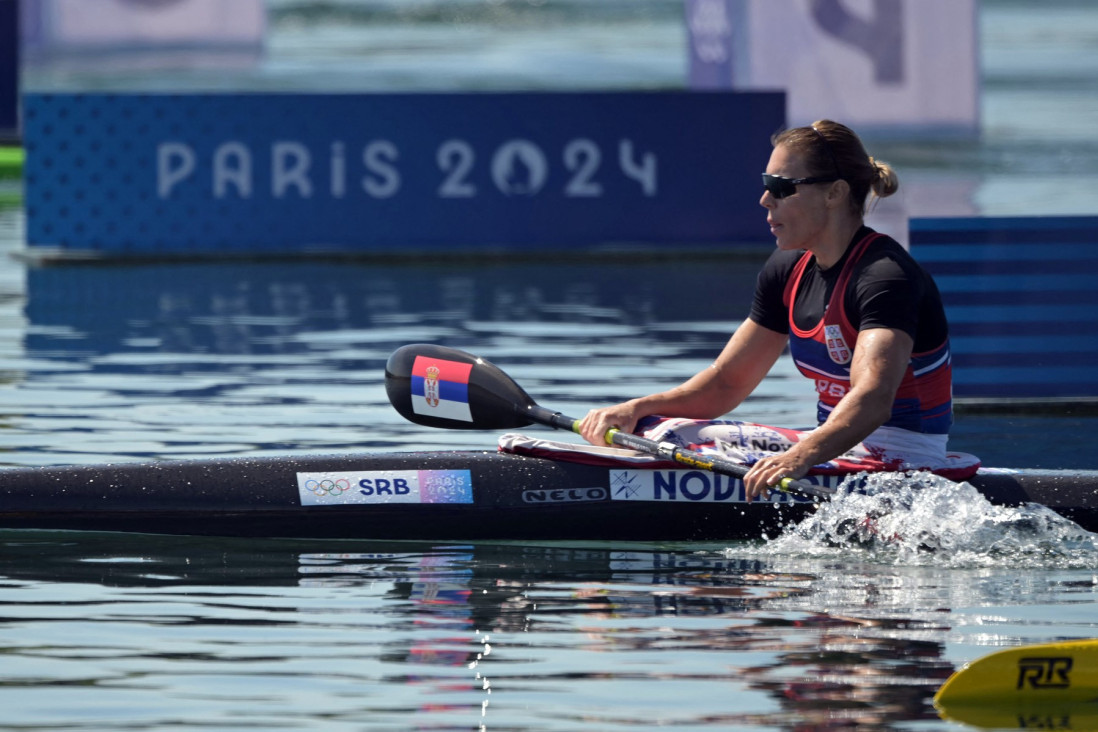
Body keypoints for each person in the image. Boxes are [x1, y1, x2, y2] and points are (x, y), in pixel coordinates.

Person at [578, 119, 963, 500]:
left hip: (905, 461)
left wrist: (799, 457)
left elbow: (873, 398)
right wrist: (635, 408)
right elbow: (726, 383)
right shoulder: (788, 269)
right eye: (766, 185)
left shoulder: (885, 277)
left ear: (835, 193)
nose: (765, 200)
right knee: (657, 428)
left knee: (672, 437)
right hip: (832, 450)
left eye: (781, 187)